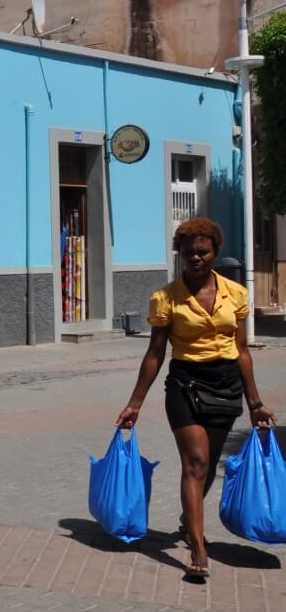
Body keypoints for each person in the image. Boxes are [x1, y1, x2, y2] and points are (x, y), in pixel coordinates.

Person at [116, 218, 277, 580]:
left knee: (207, 467)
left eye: (203, 252)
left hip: (226, 386)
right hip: (185, 385)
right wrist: (135, 403)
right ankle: (198, 549)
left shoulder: (236, 294)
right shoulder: (165, 298)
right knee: (196, 463)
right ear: (180, 254)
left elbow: (242, 350)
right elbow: (155, 353)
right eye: (189, 252)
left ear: (215, 252)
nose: (196, 258)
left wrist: (255, 403)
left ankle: (188, 520)